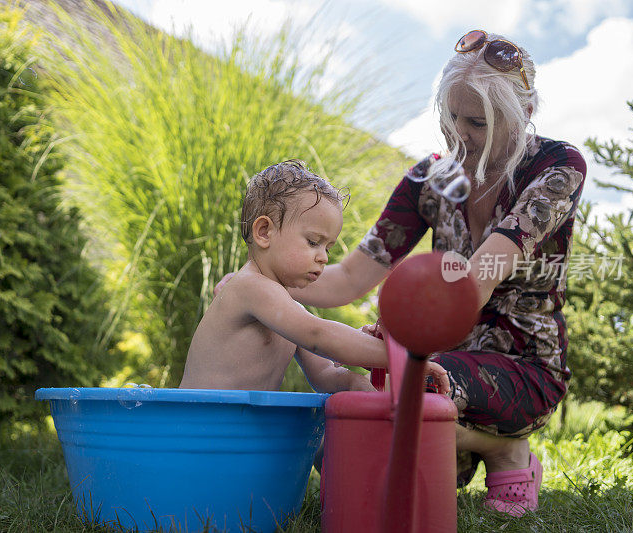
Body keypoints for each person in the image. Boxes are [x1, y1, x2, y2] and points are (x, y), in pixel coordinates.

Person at [218, 31, 586, 517]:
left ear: (525, 113)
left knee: (406, 392)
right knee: (384, 423)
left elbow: (481, 276)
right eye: (451, 116)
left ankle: (503, 449)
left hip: (524, 368)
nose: (459, 133)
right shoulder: (430, 179)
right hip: (443, 361)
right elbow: (347, 279)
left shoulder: (557, 169)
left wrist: (401, 345)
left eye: (477, 121)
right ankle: (465, 443)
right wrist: (264, 277)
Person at [180, 160, 451, 394]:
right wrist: (401, 359)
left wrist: (357, 380)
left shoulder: (291, 311)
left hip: (236, 438)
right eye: (312, 242)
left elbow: (325, 375)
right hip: (195, 429)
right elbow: (320, 336)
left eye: (328, 247)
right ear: (264, 232)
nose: (323, 257)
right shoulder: (250, 287)